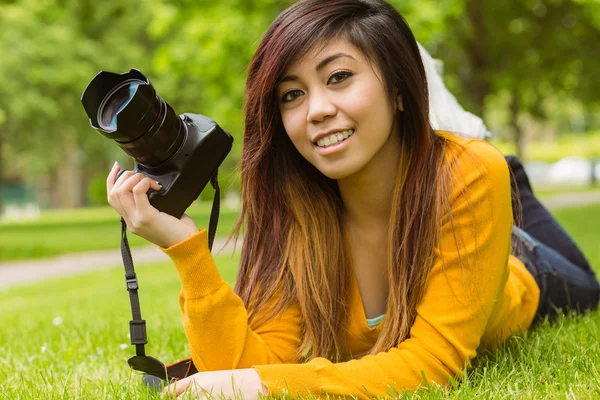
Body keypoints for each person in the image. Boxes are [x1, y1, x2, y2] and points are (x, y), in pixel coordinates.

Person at [106, 0, 599, 398]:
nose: (316, 110)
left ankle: (488, 157)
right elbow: (239, 370)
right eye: (291, 95)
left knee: (591, 291)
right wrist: (186, 248)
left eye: (338, 76)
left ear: (400, 90)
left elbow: (433, 365)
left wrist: (264, 387)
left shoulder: (469, 175)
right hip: (433, 179)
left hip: (522, 262)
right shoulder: (293, 208)